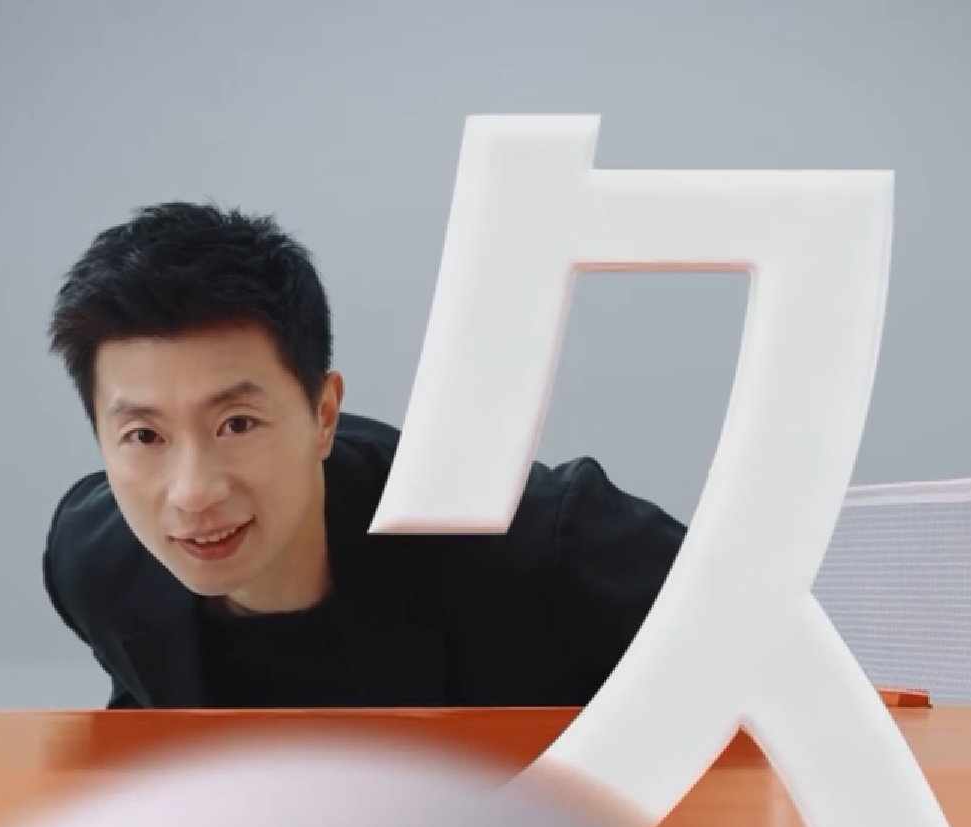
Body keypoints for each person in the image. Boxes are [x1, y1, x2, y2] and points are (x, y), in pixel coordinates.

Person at [40, 202, 685, 710]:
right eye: (144, 436)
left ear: (324, 415)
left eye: (236, 424)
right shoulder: (95, 567)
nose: (193, 491)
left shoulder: (537, 545)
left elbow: (740, 630)